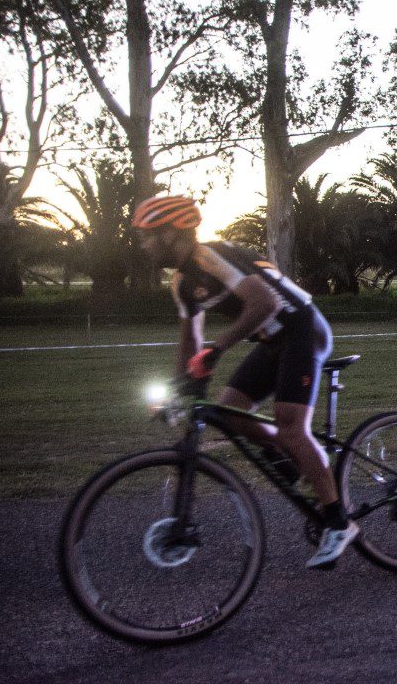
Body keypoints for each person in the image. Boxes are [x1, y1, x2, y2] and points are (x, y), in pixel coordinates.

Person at [132, 194, 357, 569]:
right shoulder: (183, 282)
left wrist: (216, 351)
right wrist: (178, 387)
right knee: (232, 412)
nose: (143, 245)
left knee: (289, 425)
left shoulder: (211, 257)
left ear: (172, 233)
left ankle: (338, 520)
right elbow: (190, 338)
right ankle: (296, 465)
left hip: (302, 328)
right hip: (271, 342)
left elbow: (265, 304)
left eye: (147, 236)